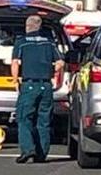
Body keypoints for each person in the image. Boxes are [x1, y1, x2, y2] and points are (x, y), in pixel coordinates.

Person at [11, 15, 64, 164]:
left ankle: (28, 149)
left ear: (27, 26)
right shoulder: (49, 43)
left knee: (24, 118)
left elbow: (15, 63)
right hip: (46, 85)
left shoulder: (21, 43)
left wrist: (15, 80)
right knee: (44, 120)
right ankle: (42, 154)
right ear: (40, 27)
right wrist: (52, 72)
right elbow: (60, 63)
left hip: (29, 85)